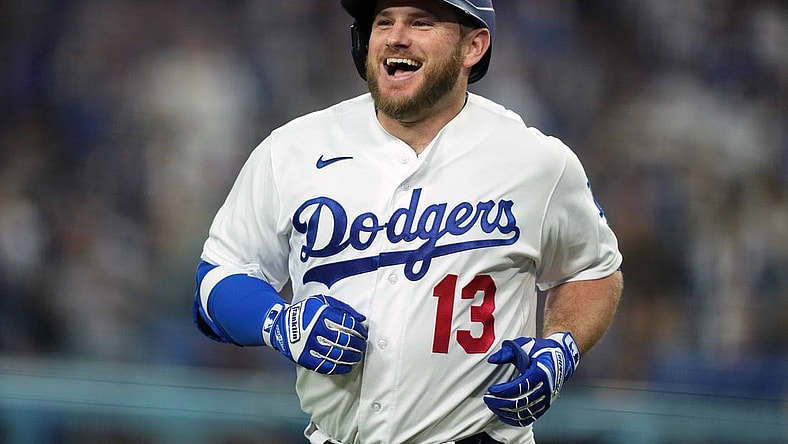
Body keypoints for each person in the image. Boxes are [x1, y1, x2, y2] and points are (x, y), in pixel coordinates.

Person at [192, 0, 624, 443]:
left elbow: (592, 270)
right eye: (383, 22)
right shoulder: (293, 149)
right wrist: (277, 321)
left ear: (473, 46)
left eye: (421, 21)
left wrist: (561, 347)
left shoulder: (535, 162)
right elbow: (217, 278)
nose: (396, 36)